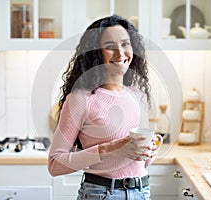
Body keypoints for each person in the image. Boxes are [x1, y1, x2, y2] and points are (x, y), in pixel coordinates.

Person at [48, 14, 159, 200]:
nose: (120, 53)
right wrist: (108, 149)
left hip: (141, 191)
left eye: (125, 44)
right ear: (96, 53)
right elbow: (55, 165)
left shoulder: (137, 96)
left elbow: (142, 163)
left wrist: (150, 150)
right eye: (109, 47)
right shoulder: (80, 99)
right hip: (101, 193)